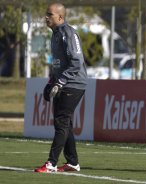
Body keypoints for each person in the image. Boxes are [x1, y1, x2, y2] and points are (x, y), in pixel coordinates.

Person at [34, 3, 87, 173]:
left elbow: (76, 63)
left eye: (49, 14)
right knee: (65, 123)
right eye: (46, 14)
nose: (46, 17)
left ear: (60, 17)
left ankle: (51, 163)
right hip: (63, 82)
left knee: (61, 122)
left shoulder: (69, 34)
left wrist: (60, 82)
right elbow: (58, 64)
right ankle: (72, 162)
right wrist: (51, 82)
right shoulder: (55, 35)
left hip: (74, 83)